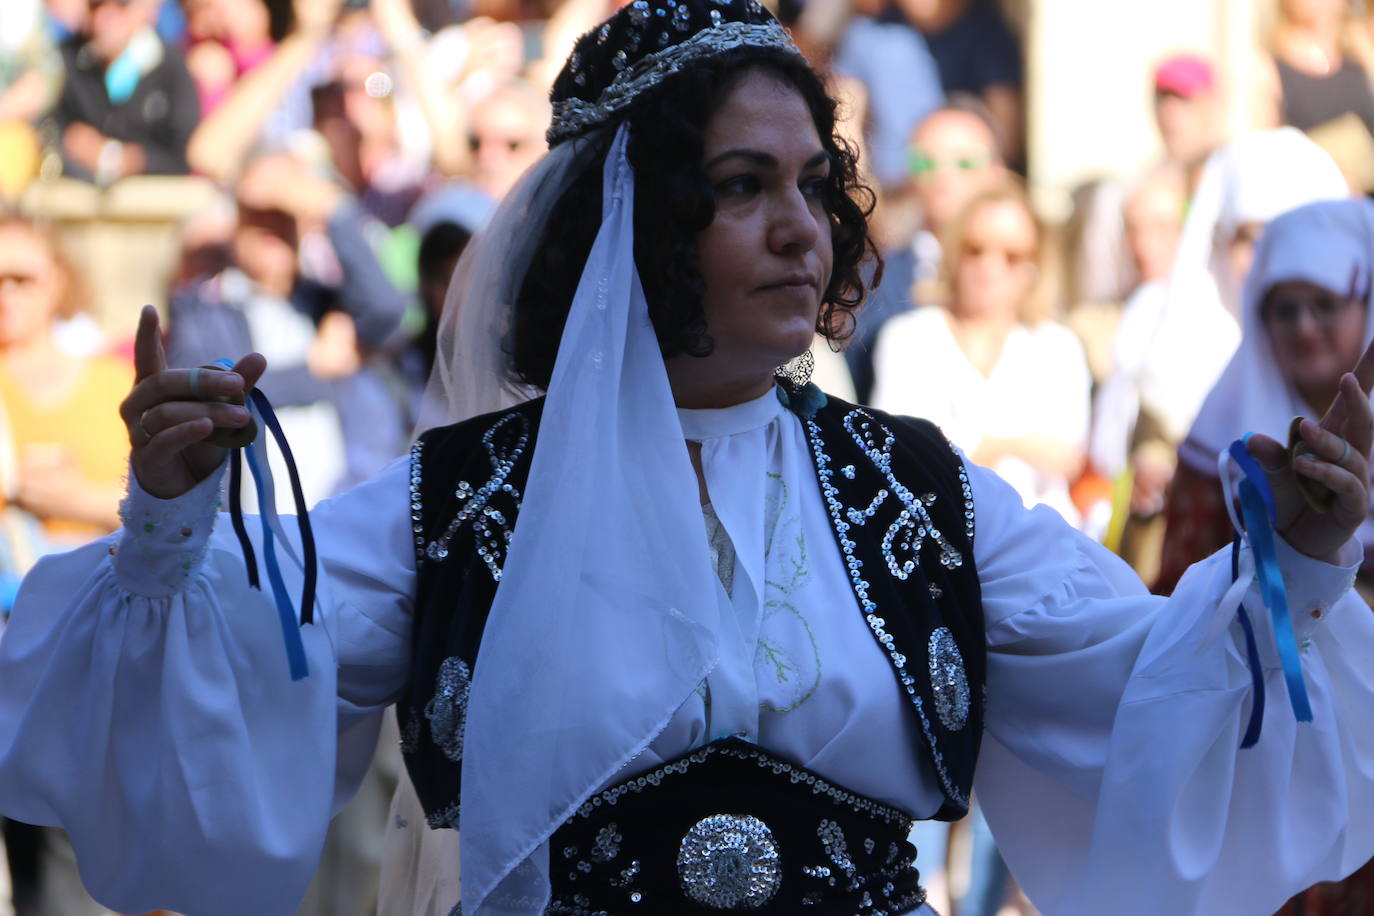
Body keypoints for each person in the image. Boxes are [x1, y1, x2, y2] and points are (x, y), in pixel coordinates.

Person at [3, 5, 1374, 916]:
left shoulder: (918, 491)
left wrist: (1305, 564)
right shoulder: (464, 499)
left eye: (810, 185)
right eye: (739, 188)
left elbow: (1143, 695)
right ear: (636, 223)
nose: (802, 230)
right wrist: (171, 526)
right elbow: (224, 709)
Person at [870, 177, 1090, 526]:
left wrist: (976, 445)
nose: (990, 267)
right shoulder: (909, 337)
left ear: (1035, 265)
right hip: (939, 536)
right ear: (954, 252)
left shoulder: (1057, 345)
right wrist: (1019, 444)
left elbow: (1066, 456)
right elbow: (900, 455)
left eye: (1011, 255)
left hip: (1041, 542)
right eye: (976, 249)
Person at [52, 0, 200, 182]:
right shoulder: (68, 60)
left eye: (120, 4)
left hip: (154, 203)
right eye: (96, 5)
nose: (104, 17)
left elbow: (184, 152)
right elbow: (50, 125)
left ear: (145, 10)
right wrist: (70, 141)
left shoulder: (171, 66)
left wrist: (130, 159)